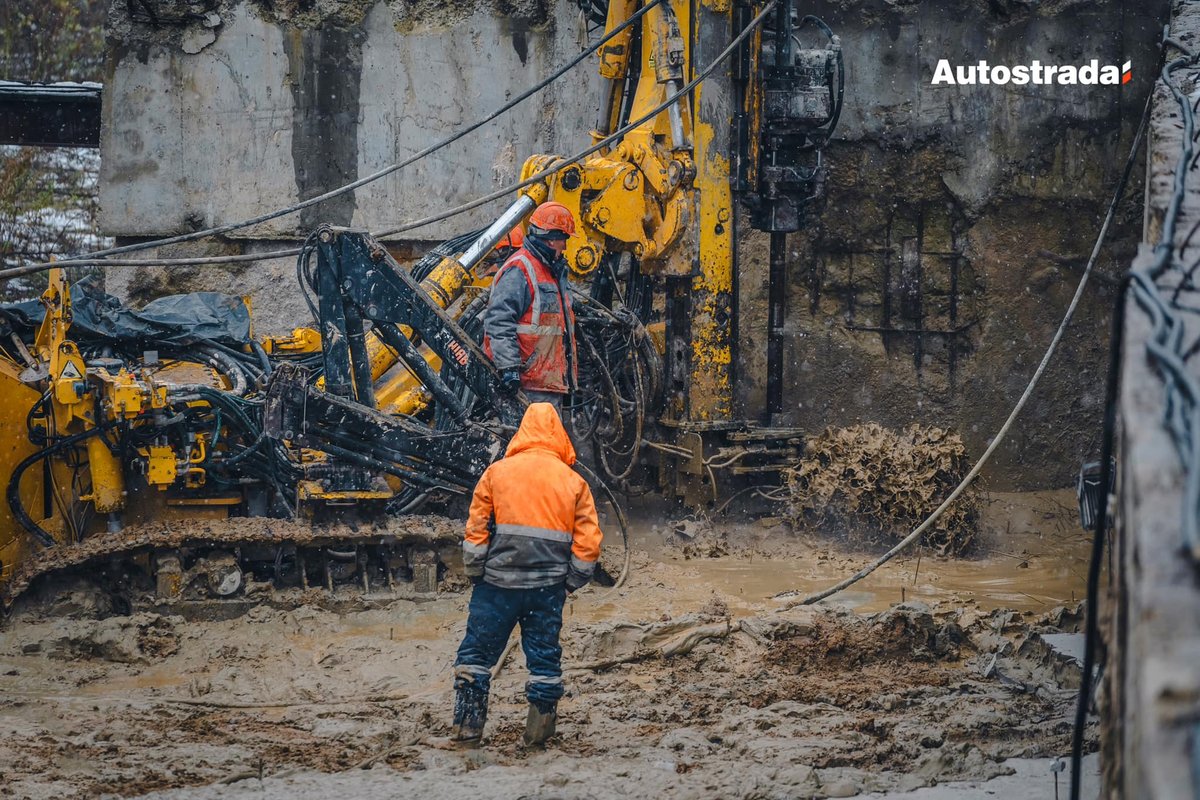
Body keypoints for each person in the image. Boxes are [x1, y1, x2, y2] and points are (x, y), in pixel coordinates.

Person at [450, 402, 603, 747]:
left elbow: (476, 530)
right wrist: (571, 582)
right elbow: (588, 543)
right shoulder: (573, 482)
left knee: (475, 656)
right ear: (558, 435)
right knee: (545, 658)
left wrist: (477, 573)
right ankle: (538, 736)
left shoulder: (496, 473)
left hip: (497, 587)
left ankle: (467, 731)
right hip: (547, 589)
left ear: (523, 431)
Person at [483, 201, 578, 414]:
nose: (565, 246)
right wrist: (509, 369)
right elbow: (498, 321)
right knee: (537, 445)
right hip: (528, 384)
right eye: (565, 239)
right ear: (553, 240)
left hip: (547, 382)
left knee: (546, 444)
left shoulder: (551, 271)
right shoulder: (520, 269)